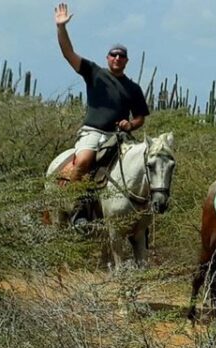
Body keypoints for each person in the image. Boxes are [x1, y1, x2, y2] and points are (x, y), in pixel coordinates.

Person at [54, 3, 150, 229]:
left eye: (121, 56)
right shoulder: (94, 73)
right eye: (113, 55)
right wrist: (61, 28)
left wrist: (130, 124)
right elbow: (68, 53)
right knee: (85, 161)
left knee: (144, 164)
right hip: (94, 133)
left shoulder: (133, 88)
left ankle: (141, 217)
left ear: (126, 60)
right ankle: (78, 211)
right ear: (107, 58)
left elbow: (140, 118)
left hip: (118, 136)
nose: (117, 58)